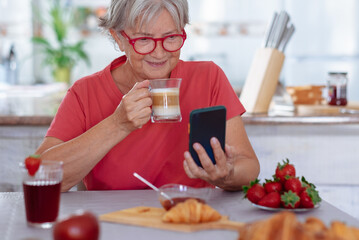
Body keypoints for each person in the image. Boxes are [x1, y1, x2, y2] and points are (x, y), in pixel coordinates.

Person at [35, 0, 260, 192]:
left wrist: (226, 175)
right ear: (118, 38)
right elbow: (40, 176)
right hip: (116, 224)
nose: (160, 53)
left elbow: (248, 168)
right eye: (144, 39)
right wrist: (117, 124)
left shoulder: (209, 77)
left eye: (171, 37)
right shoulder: (85, 93)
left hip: (191, 222)